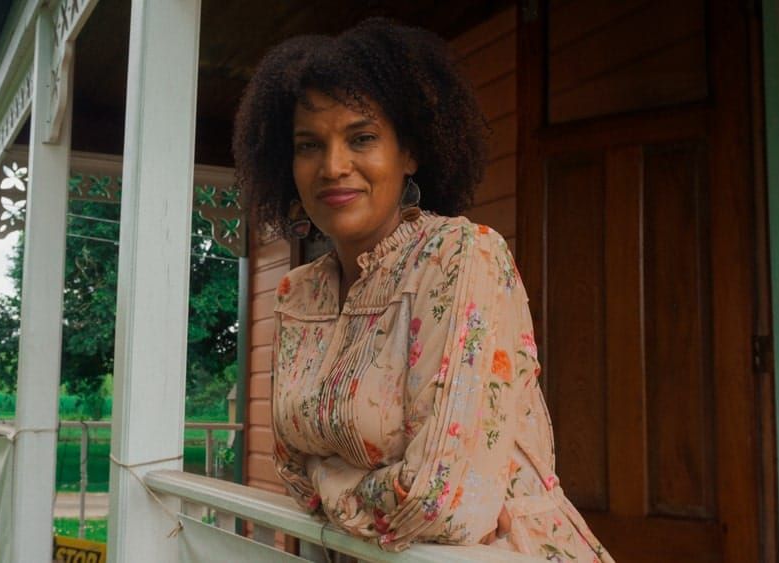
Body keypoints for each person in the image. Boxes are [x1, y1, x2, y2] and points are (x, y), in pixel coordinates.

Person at [232, 18, 613, 562]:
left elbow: (445, 505)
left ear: (408, 151)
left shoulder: (460, 255)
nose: (333, 166)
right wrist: (359, 489)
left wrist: (332, 483)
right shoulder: (299, 291)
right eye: (309, 145)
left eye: (362, 138)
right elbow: (292, 469)